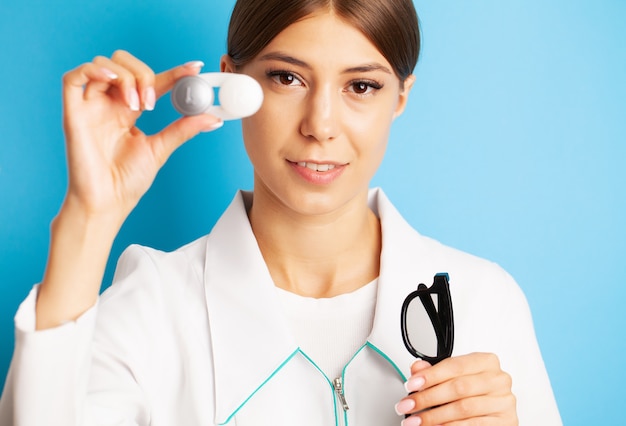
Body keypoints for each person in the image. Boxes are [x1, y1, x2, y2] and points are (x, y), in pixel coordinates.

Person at [0, 0, 562, 424]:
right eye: (287, 78)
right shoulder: (154, 303)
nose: (320, 124)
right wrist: (89, 214)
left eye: (361, 86)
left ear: (401, 98)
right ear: (230, 79)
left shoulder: (483, 301)